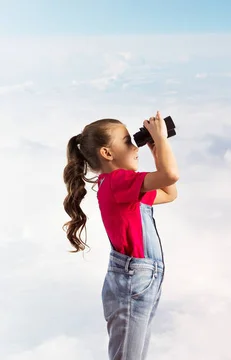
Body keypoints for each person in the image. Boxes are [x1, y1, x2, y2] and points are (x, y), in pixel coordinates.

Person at [62, 111, 179, 359]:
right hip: (133, 283)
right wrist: (162, 138)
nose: (135, 145)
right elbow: (170, 176)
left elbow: (169, 193)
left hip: (141, 282)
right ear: (107, 153)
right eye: (128, 141)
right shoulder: (117, 181)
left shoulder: (122, 185)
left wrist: (157, 151)